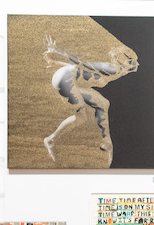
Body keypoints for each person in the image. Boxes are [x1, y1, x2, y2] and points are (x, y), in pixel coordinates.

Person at [41, 35, 138, 166]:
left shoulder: (117, 71)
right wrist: (59, 52)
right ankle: (50, 140)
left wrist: (56, 62)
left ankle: (106, 141)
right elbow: (83, 63)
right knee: (81, 117)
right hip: (65, 79)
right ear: (121, 61)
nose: (136, 64)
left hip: (70, 79)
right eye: (131, 61)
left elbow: (81, 69)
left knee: (103, 103)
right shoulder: (113, 68)